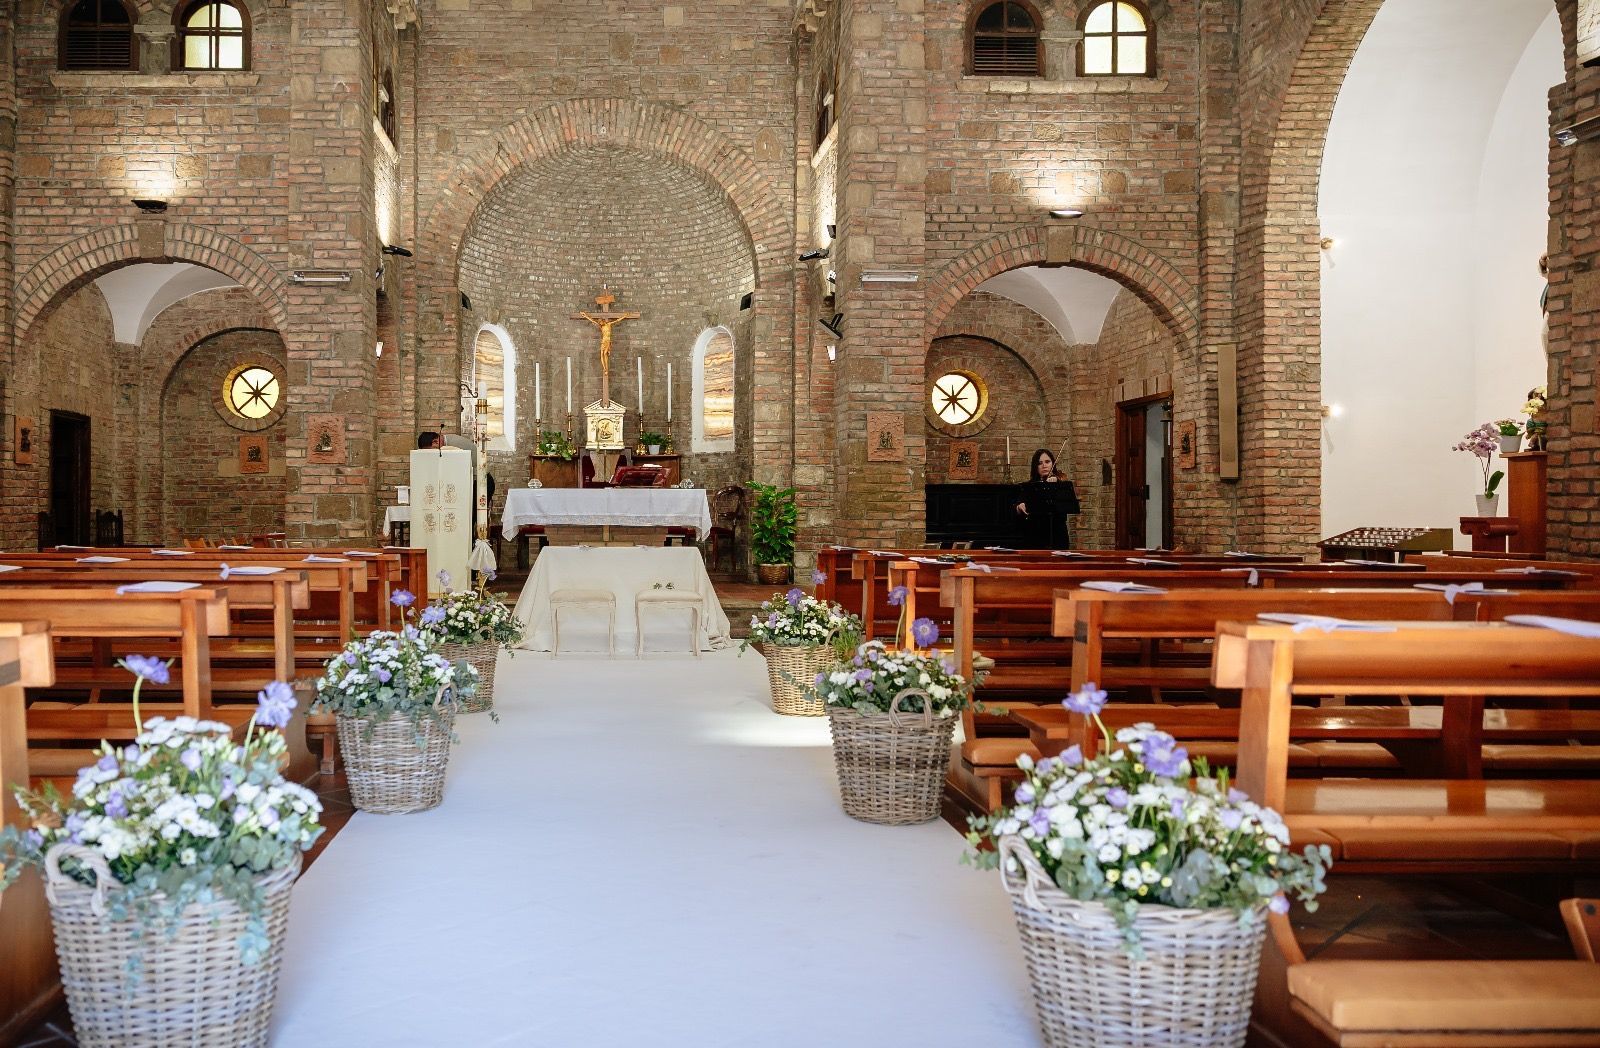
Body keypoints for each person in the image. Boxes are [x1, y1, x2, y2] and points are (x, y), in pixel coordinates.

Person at [1013, 448, 1080, 549]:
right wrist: (1019, 506)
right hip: (1035, 534)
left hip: (1058, 534)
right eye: (1040, 463)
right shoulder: (1029, 486)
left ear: (1053, 463)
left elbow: (1066, 504)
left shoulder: (1060, 483)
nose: (1044, 465)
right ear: (1035, 467)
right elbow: (1018, 503)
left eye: (1047, 462)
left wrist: (1055, 484)